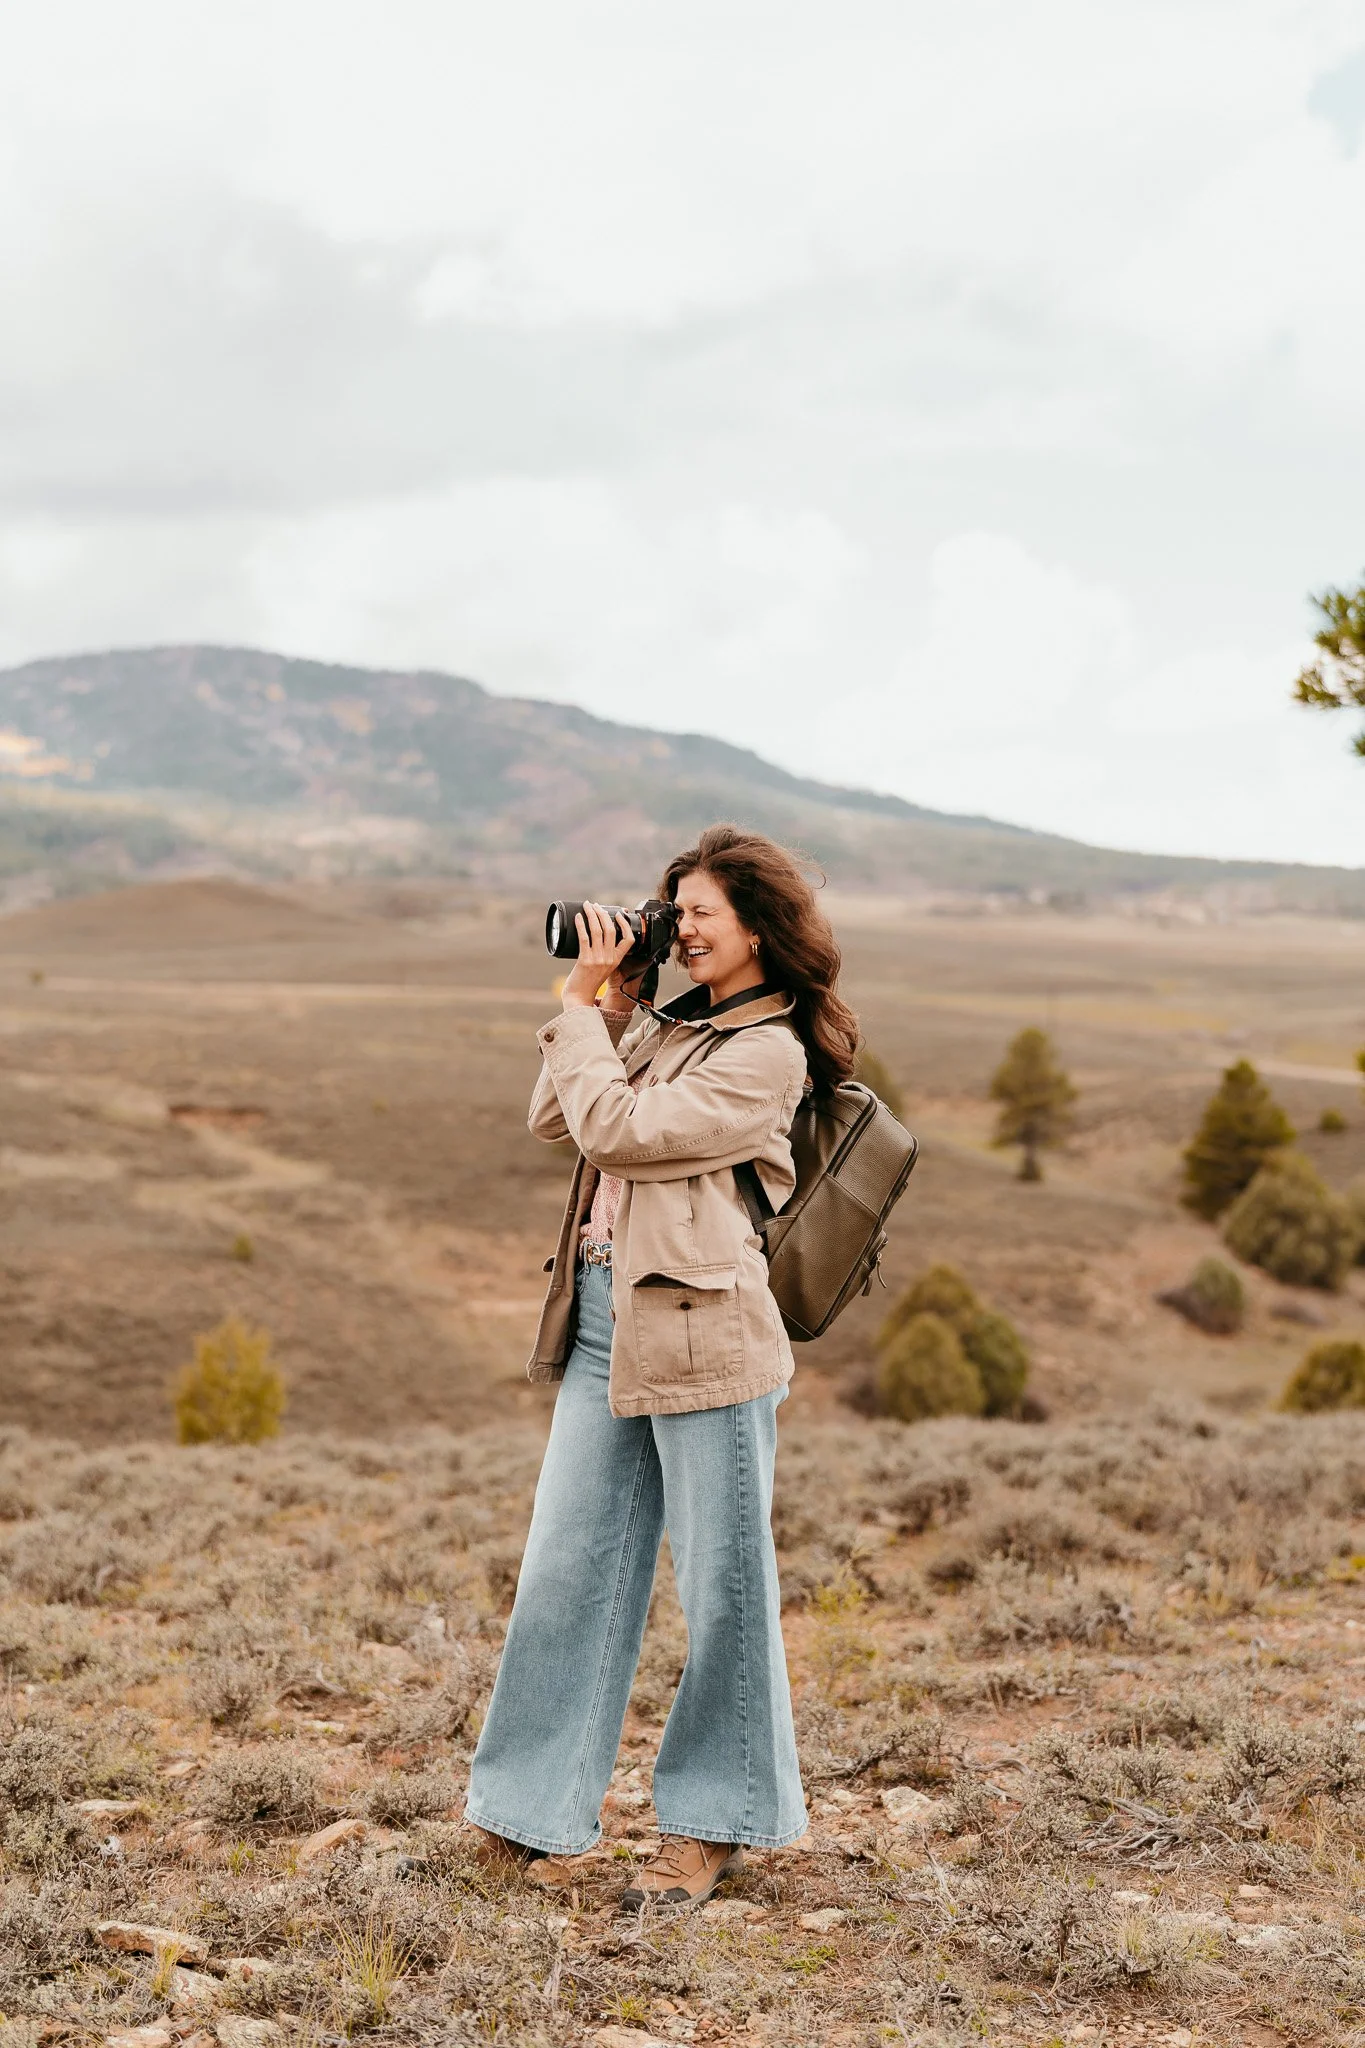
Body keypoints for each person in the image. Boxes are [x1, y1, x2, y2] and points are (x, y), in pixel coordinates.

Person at [464, 824, 859, 1909]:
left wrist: (592, 1002)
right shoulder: (676, 1022)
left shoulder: (767, 1053)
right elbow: (558, 1117)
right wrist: (608, 1001)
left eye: (700, 915)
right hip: (606, 1319)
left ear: (759, 932)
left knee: (725, 1587)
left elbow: (622, 1130)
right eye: (672, 907)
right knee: (567, 1568)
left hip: (709, 1335)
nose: (677, 927)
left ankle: (712, 1821)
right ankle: (527, 1811)